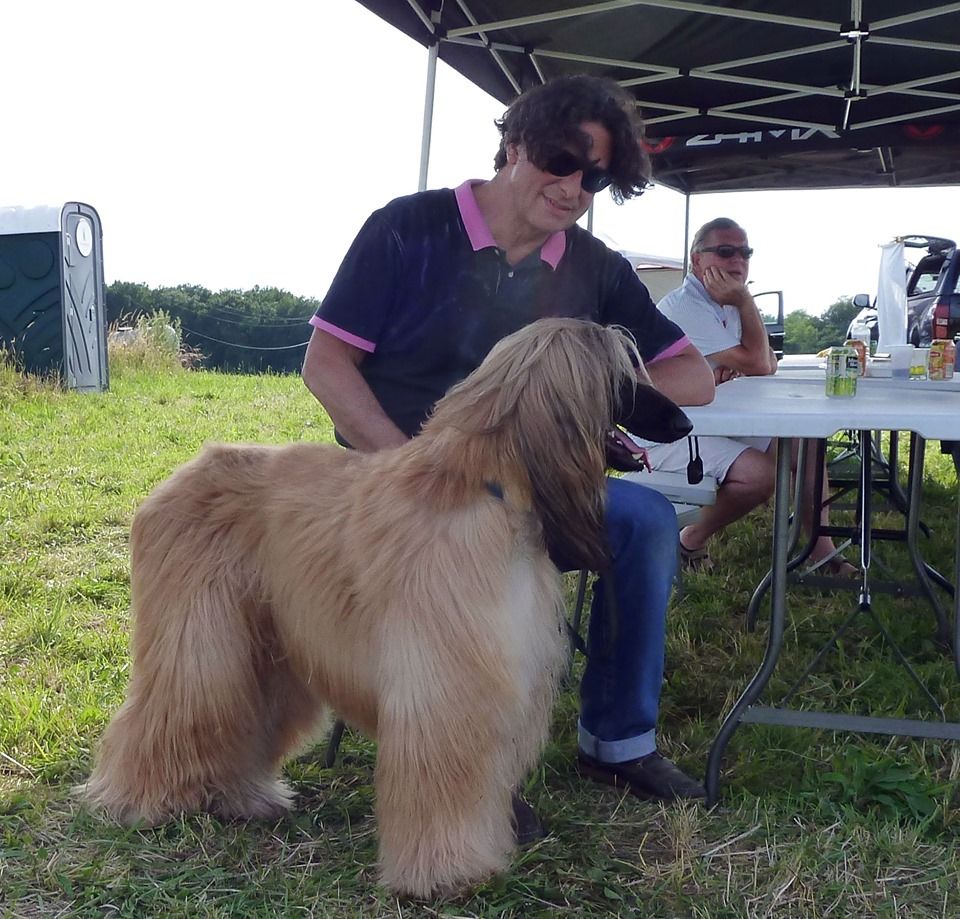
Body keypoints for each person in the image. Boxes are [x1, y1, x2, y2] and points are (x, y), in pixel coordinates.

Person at [301, 76, 715, 817]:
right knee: (467, 531)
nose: (574, 188)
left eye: (596, 177)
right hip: (397, 478)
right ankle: (471, 765)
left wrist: (582, 377)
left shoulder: (596, 268)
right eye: (562, 160)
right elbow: (326, 364)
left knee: (646, 521)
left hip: (540, 487)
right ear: (515, 143)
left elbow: (693, 376)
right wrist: (407, 466)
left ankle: (618, 742)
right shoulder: (407, 229)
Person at [649, 217, 855, 574]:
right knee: (761, 475)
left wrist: (743, 335)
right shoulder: (686, 306)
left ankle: (821, 552)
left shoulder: (723, 303)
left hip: (710, 419)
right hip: (666, 431)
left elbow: (764, 362)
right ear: (697, 261)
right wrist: (745, 300)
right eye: (725, 252)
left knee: (807, 444)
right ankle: (689, 540)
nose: (737, 261)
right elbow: (763, 364)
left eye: (745, 253)